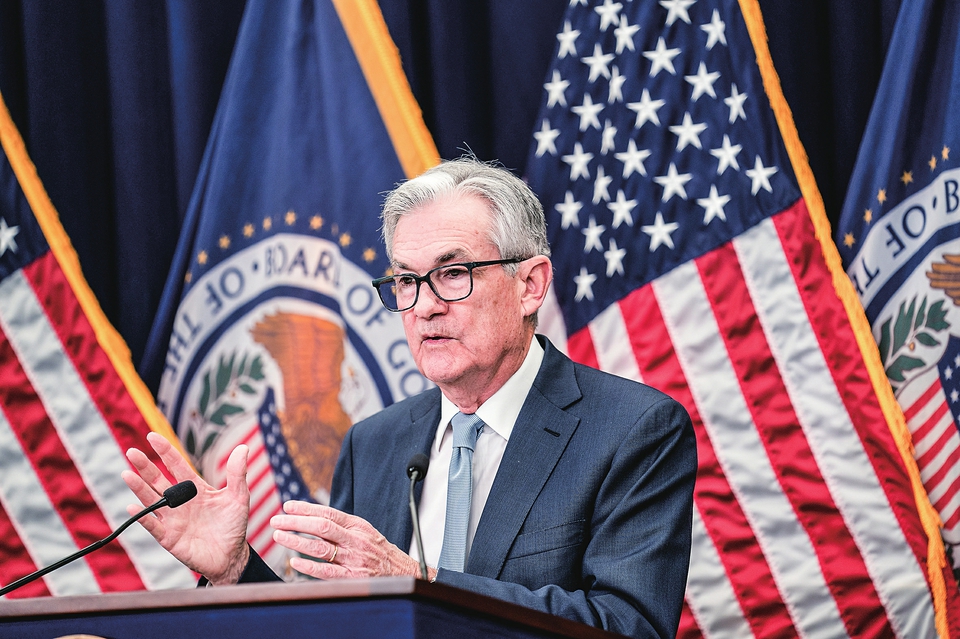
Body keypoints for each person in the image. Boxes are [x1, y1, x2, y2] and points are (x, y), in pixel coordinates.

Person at [124, 157, 697, 638]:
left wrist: (420, 583)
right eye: (406, 281)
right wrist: (235, 569)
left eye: (453, 274)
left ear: (530, 285)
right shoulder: (372, 444)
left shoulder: (633, 431)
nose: (423, 306)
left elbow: (630, 627)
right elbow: (334, 632)